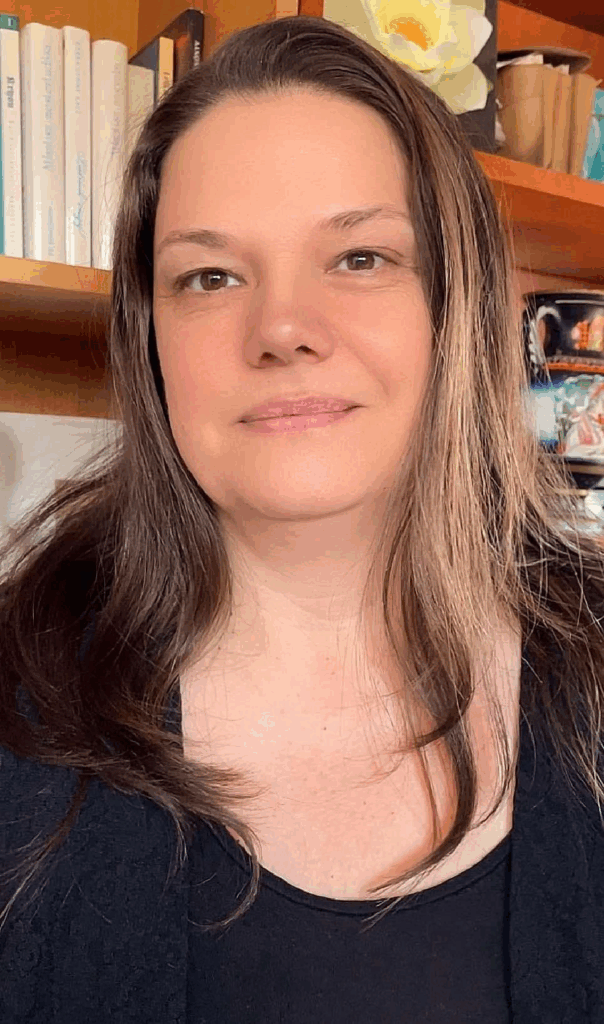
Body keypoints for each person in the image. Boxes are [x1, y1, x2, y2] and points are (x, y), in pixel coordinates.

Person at [1, 14, 603, 1023]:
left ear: (451, 306)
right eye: (210, 276)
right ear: (151, 341)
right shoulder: (18, 701)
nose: (281, 328)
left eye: (359, 257)